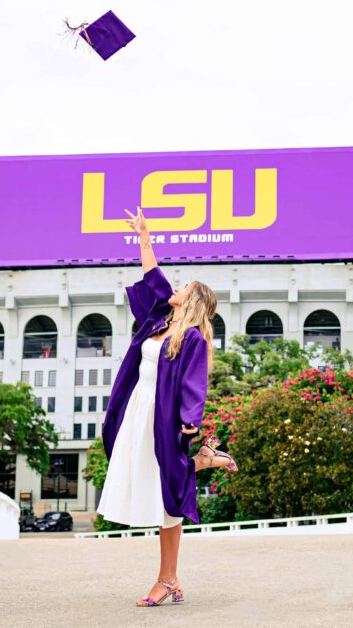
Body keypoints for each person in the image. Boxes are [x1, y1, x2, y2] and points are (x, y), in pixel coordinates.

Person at [97, 206, 237, 607]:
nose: (174, 286)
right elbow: (152, 277)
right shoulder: (157, 321)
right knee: (154, 481)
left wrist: (190, 422)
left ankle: (167, 579)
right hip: (136, 411)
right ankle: (205, 461)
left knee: (169, 493)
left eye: (184, 285)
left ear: (191, 300)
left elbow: (195, 382)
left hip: (163, 417)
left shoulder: (192, 339)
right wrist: (144, 237)